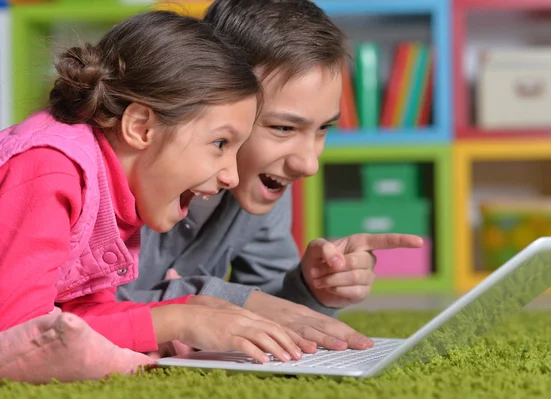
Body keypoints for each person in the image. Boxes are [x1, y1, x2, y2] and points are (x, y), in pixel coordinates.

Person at [0, 10, 305, 364]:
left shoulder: (115, 194)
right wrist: (174, 320)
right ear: (142, 128)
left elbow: (76, 319)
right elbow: (19, 333)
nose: (232, 177)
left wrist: (190, 312)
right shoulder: (51, 168)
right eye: (221, 143)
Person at [118, 0, 423, 354]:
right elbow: (72, 307)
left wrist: (311, 287)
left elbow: (272, 308)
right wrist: (229, 301)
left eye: (323, 129)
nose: (308, 164)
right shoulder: (122, 173)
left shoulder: (263, 178)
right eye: (282, 128)